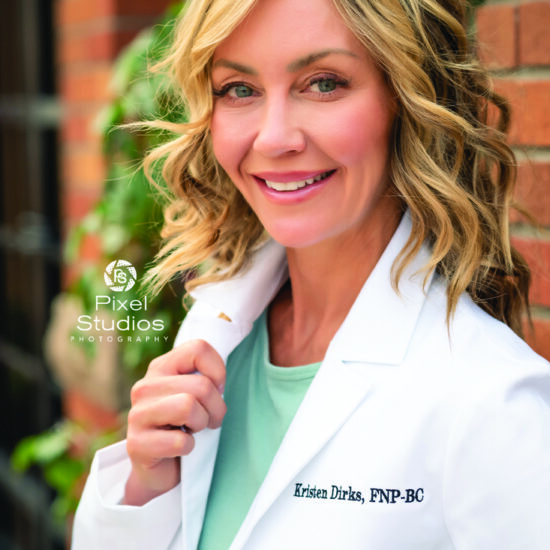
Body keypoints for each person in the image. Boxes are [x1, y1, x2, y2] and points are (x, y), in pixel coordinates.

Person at [72, 0, 550, 548]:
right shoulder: (216, 333)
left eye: (323, 83)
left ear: (405, 100)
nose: (274, 139)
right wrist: (146, 490)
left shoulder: (492, 402)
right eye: (239, 89)